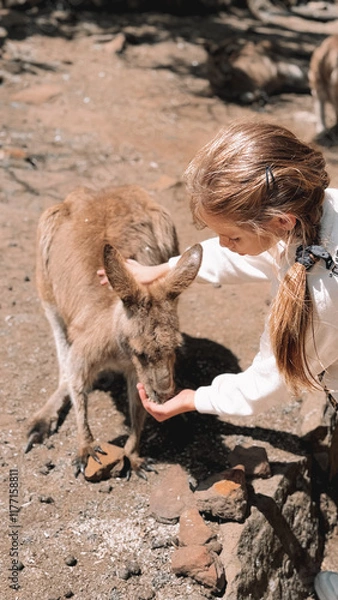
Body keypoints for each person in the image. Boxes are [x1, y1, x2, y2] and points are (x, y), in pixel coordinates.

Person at [99, 120, 338, 426]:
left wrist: (195, 399)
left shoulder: (321, 294)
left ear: (281, 222)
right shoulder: (317, 206)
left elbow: (272, 379)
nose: (224, 245)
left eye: (233, 237)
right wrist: (164, 269)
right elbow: (259, 256)